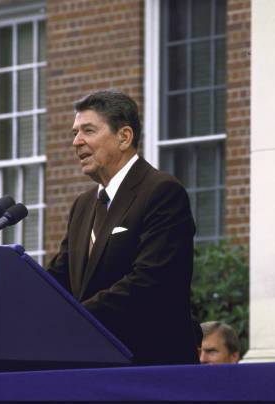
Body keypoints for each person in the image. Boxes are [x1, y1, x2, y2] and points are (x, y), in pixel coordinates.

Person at [47, 90, 199, 366]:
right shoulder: (83, 205)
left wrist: (76, 319)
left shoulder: (162, 192)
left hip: (149, 366)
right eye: (75, 133)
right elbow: (59, 278)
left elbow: (151, 280)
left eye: (88, 131)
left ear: (124, 137)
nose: (76, 141)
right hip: (90, 364)